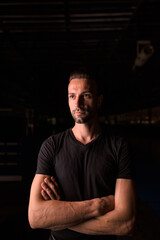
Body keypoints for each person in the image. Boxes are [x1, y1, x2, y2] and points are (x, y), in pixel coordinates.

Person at [28, 69, 137, 240]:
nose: (77, 103)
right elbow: (35, 217)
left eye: (85, 95)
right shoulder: (52, 145)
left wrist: (59, 215)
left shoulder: (119, 147)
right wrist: (99, 205)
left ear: (99, 101)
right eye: (72, 96)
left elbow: (126, 223)